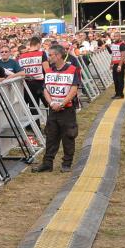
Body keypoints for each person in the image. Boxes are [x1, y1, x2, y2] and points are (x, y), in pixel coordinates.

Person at [33, 45, 81, 173]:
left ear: (58, 56)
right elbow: (45, 89)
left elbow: (74, 89)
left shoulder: (72, 69)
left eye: (51, 55)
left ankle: (67, 163)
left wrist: (63, 103)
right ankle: (47, 163)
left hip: (67, 109)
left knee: (68, 136)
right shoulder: (49, 71)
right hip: (53, 109)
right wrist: (51, 103)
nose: (49, 57)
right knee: (51, 136)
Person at [18, 36, 49, 108]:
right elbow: (47, 70)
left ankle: (36, 120)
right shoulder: (41, 53)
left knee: (33, 107)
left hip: (28, 84)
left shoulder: (21, 56)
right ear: (38, 44)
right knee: (49, 105)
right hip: (40, 83)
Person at [108, 30, 125, 98]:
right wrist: (111, 64)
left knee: (120, 79)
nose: (115, 37)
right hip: (115, 63)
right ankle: (117, 93)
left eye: (116, 36)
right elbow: (113, 55)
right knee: (115, 79)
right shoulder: (114, 44)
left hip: (121, 64)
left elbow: (123, 55)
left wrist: (120, 65)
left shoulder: (122, 44)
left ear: (120, 37)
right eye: (114, 36)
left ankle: (120, 94)